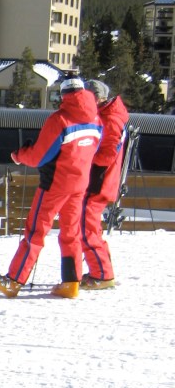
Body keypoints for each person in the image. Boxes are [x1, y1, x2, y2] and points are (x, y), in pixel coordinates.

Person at [0, 76, 102, 299]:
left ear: (63, 95)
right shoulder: (97, 119)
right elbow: (93, 149)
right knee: (71, 233)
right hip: (79, 183)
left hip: (55, 184)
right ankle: (71, 283)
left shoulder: (60, 119)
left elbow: (39, 156)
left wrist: (19, 155)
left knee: (36, 231)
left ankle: (14, 280)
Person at [79, 79, 129, 289]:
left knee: (86, 227)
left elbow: (107, 154)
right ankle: (101, 269)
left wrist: (83, 157)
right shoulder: (108, 115)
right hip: (100, 180)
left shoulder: (110, 119)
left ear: (97, 99)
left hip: (99, 180)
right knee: (89, 227)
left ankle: (102, 274)